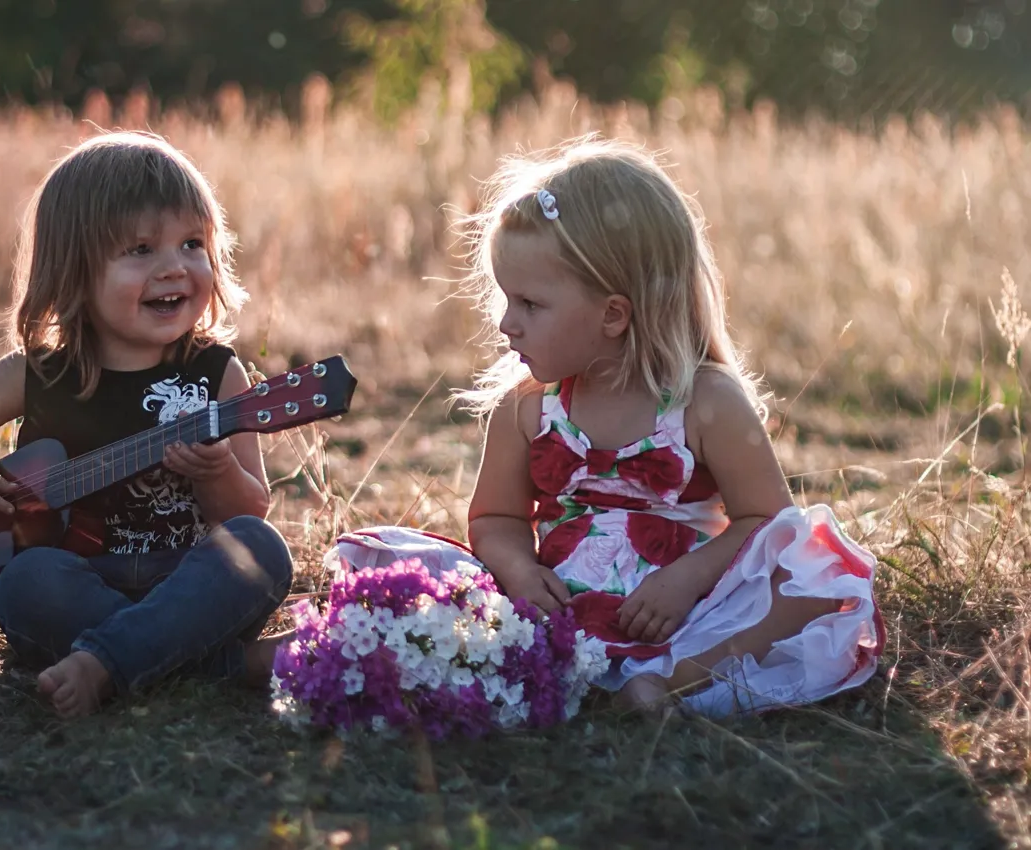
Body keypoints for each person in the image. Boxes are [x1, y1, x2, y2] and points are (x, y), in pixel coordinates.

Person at [328, 137, 882, 715]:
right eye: (504, 299)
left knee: (813, 571)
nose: (506, 323)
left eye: (529, 305)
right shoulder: (528, 408)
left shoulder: (706, 402)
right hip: (556, 611)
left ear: (613, 314)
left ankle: (669, 682)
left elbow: (768, 522)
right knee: (403, 570)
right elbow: (494, 518)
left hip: (687, 613)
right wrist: (518, 571)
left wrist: (689, 577)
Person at [0, 131, 293, 718]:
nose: (174, 268)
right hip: (76, 579)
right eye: (140, 250)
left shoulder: (217, 375)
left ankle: (105, 661)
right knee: (24, 582)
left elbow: (246, 514)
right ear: (75, 270)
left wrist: (216, 474)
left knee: (260, 549)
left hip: (184, 581)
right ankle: (223, 665)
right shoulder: (39, 373)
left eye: (192, 243)